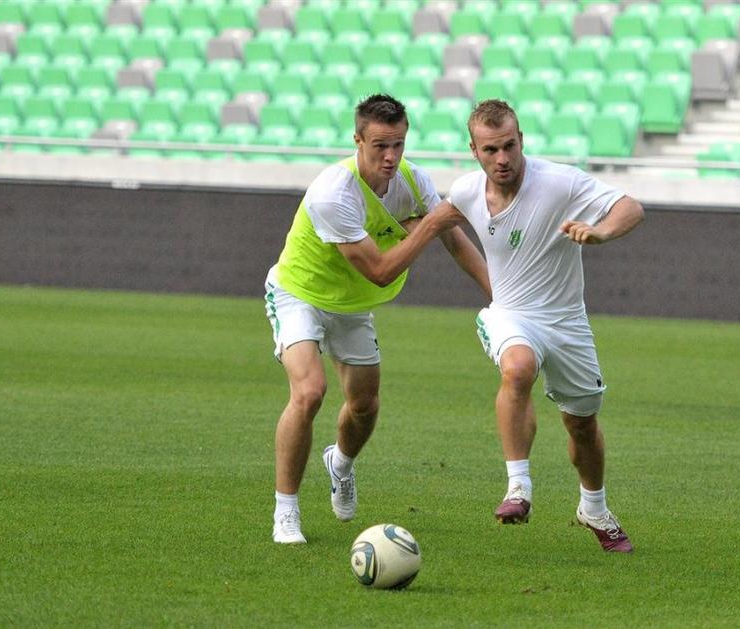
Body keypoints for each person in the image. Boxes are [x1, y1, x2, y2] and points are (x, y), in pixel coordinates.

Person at [265, 94, 490, 544]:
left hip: (351, 305)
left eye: (399, 145)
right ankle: (286, 511)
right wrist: (425, 224)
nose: (391, 157)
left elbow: (454, 239)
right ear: (358, 140)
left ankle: (340, 464)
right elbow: (382, 268)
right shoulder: (335, 192)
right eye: (380, 146)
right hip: (299, 294)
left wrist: (498, 294)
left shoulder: (412, 180)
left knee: (365, 405)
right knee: (310, 393)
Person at [439, 99, 645, 552]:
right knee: (517, 369)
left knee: (582, 425)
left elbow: (631, 207)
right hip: (510, 313)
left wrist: (602, 232)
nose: (502, 159)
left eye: (509, 146)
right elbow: (433, 223)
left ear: (521, 140)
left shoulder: (559, 182)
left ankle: (593, 507)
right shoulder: (466, 191)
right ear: (473, 150)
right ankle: (518, 488)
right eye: (490, 149)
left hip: (567, 322)